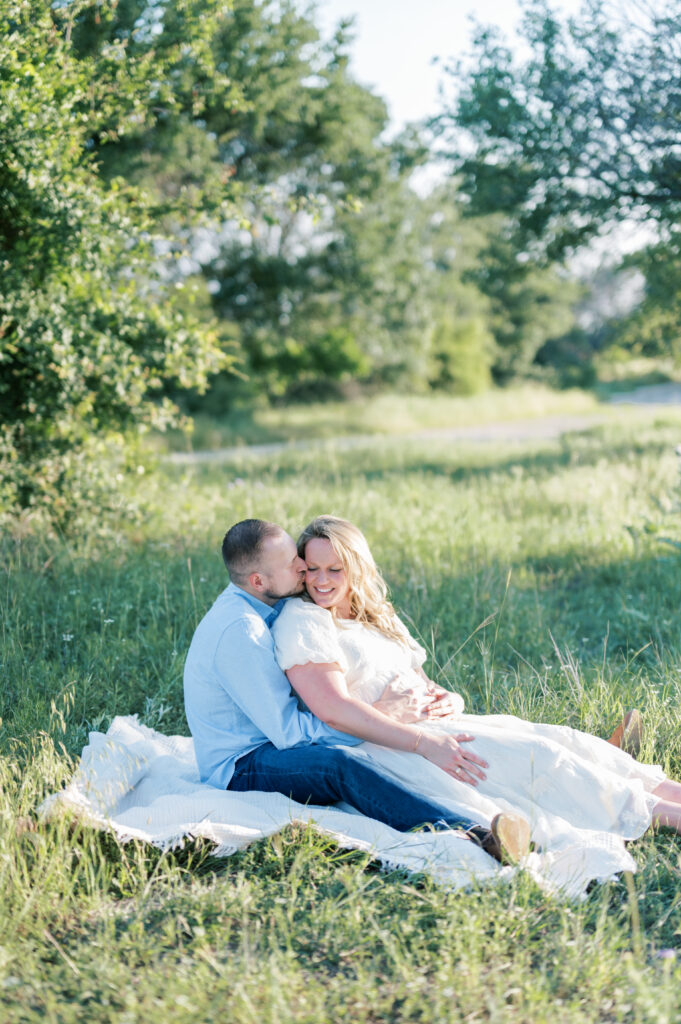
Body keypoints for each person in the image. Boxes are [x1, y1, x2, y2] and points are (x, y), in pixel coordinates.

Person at [270, 515, 681, 891]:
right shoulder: (304, 622)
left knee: (557, 740)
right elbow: (332, 710)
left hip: (438, 726)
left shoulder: (375, 615)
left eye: (334, 569)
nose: (321, 580)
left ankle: (653, 788)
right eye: (312, 570)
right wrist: (422, 740)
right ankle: (661, 813)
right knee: (538, 755)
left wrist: (449, 698)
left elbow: (420, 681)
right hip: (391, 746)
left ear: (356, 568)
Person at [183, 518, 531, 864]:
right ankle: (472, 835)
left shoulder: (263, 607)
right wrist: (382, 714)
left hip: (267, 742)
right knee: (337, 765)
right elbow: (289, 736)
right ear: (258, 581)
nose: (304, 568)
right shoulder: (241, 631)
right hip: (241, 765)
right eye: (295, 565)